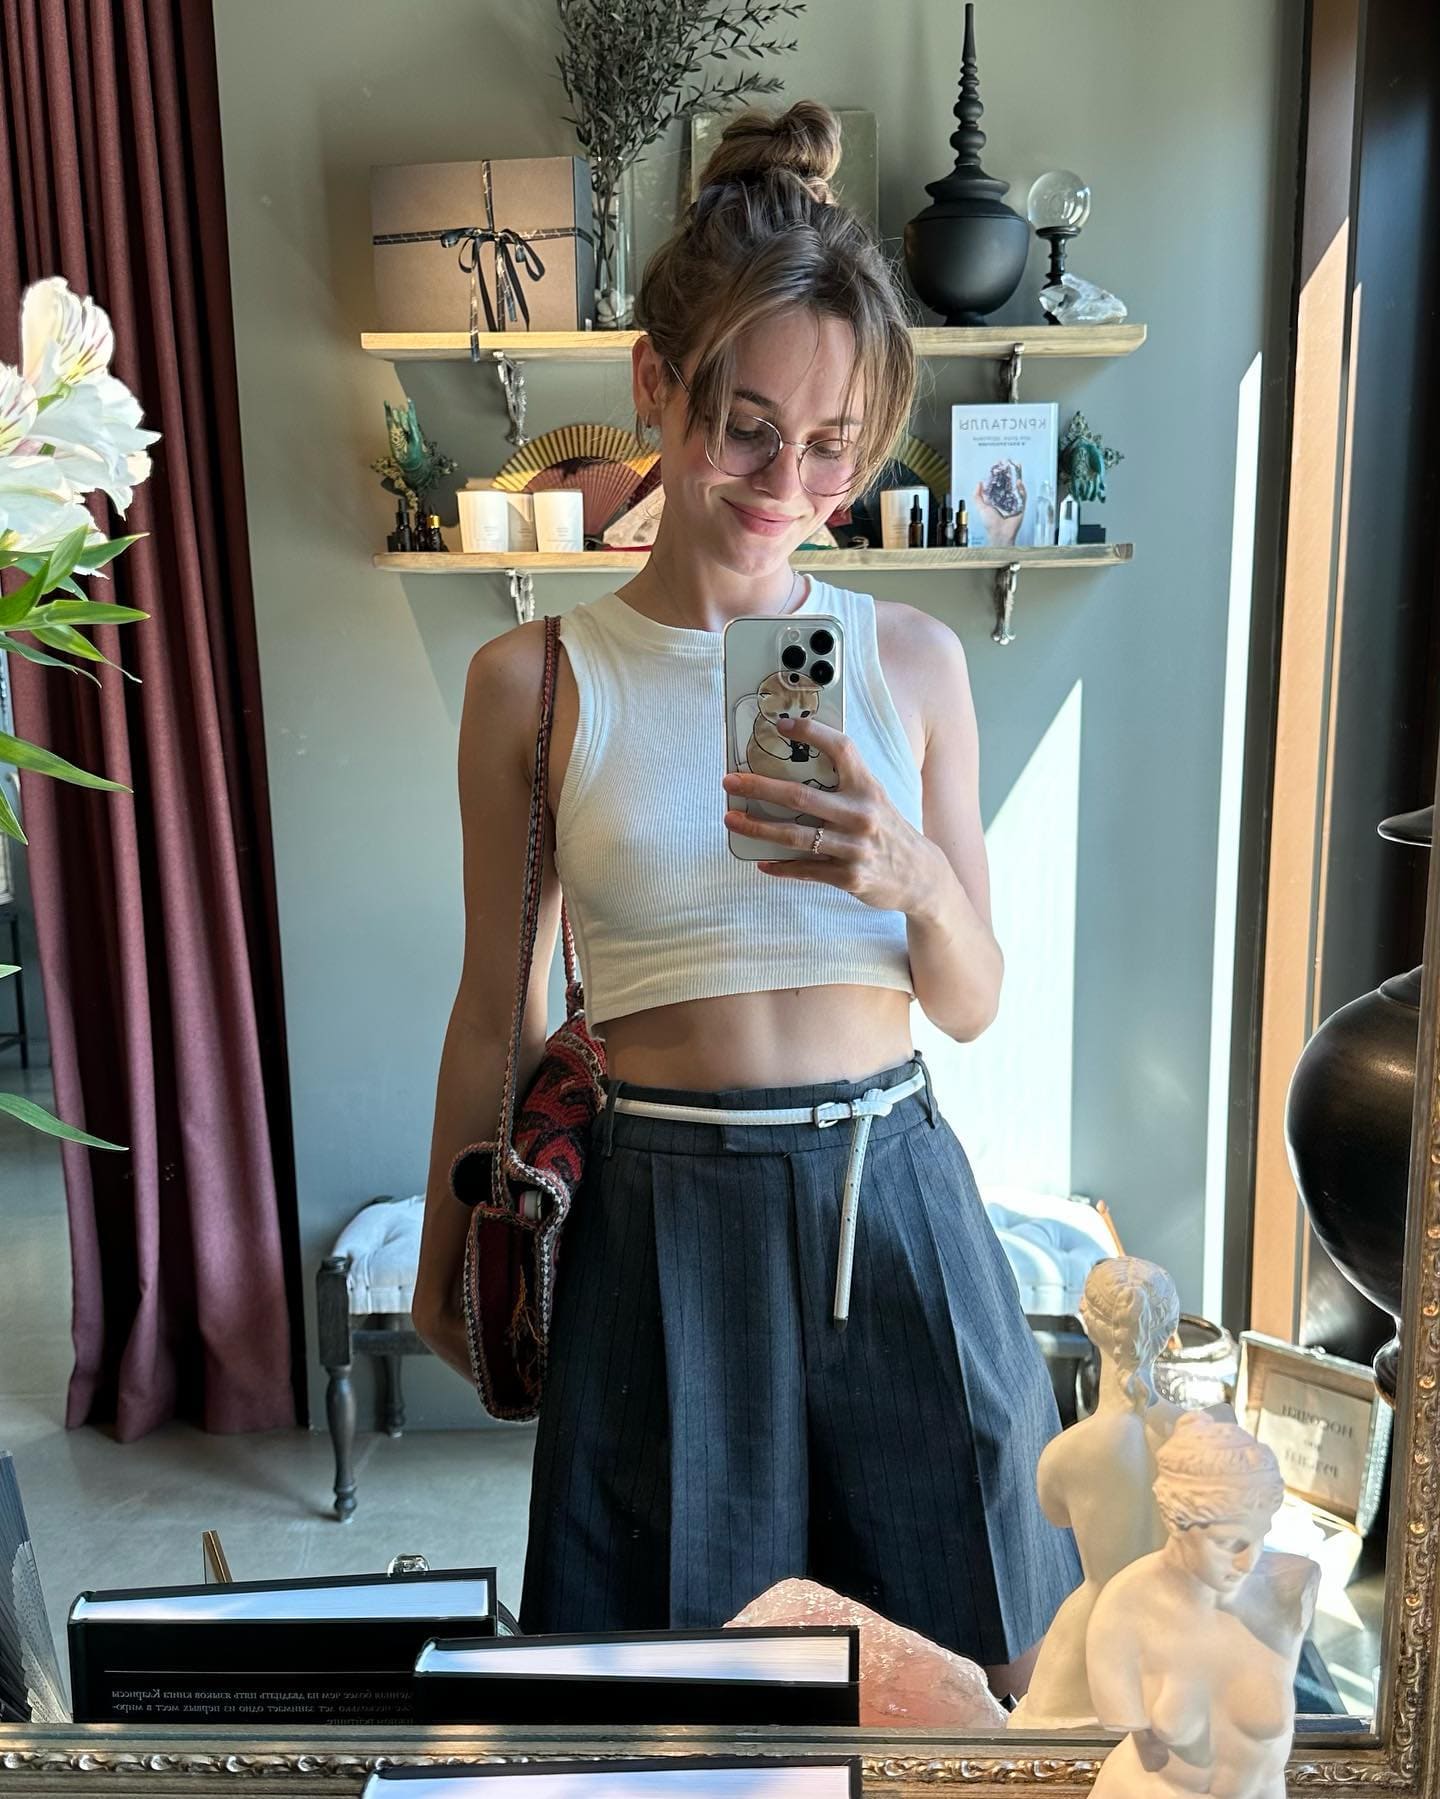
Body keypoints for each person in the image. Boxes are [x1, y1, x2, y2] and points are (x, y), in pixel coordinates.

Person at [413, 98, 1078, 1699]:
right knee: (679, 1695)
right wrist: (450, 1249)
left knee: (975, 1677)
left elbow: (973, 998)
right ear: (656, 384)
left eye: (833, 441)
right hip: (660, 1218)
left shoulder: (914, 661)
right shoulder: (534, 679)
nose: (790, 480)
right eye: (747, 424)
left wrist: (911, 872)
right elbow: (498, 1000)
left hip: (895, 1196)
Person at [1087, 1413, 1318, 1799]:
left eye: (1260, 1537)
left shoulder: (1290, 1588)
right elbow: (1129, 1729)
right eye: (1229, 1543)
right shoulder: (1124, 1608)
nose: (1248, 1561)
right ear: (1177, 1521)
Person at [1010, 1257, 1183, 1728]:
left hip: (1093, 1643)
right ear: (1169, 1330)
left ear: (1087, 1321)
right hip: (1182, 1640)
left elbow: (1056, 1513)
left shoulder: (1065, 1455)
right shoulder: (1203, 1436)